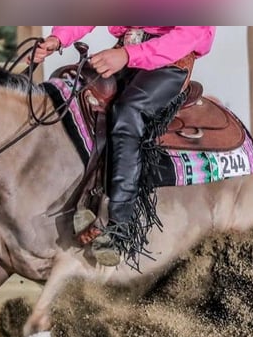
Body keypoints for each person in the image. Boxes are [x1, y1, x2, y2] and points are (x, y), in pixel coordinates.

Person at [33, 26, 216, 267]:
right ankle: (83, 198)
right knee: (70, 92)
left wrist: (128, 56)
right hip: (127, 52)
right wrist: (58, 39)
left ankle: (120, 225)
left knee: (128, 112)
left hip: (170, 61)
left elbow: (191, 32)